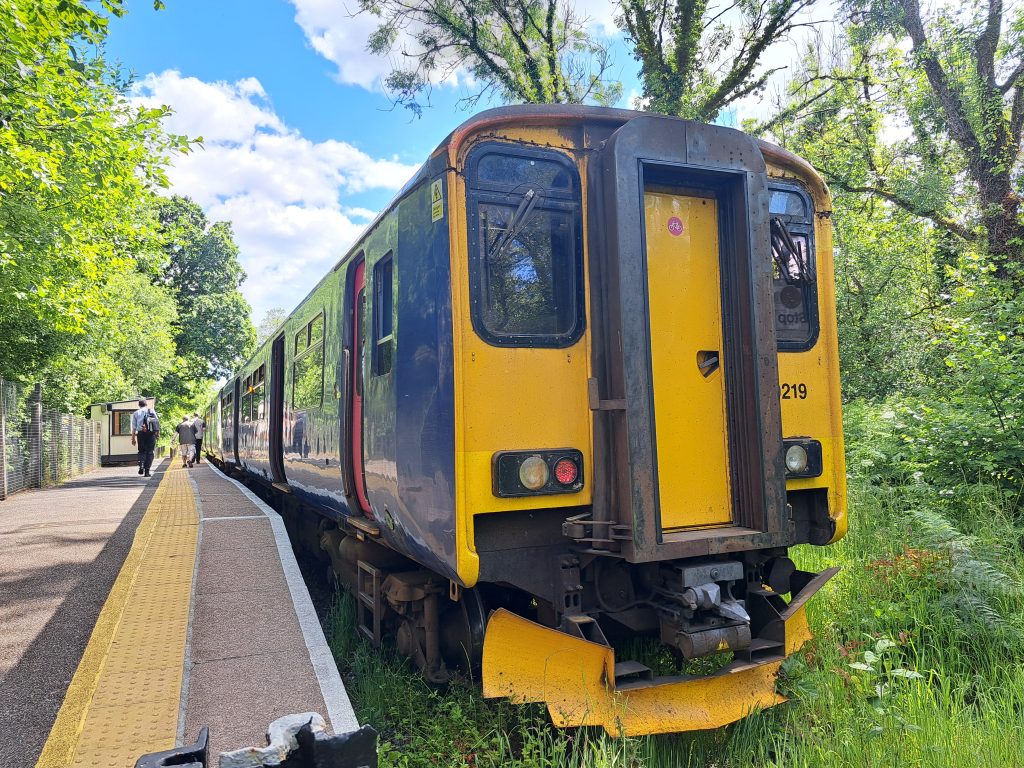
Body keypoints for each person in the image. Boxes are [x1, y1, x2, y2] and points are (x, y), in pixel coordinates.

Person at [130, 399, 160, 478]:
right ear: (146, 404)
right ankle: (147, 471)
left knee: (141, 451)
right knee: (150, 452)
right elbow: (157, 422)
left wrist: (133, 438)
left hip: (140, 434)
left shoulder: (136, 413)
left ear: (139, 405)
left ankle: (141, 465)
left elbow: (134, 427)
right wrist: (157, 434)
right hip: (151, 433)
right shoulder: (151, 411)